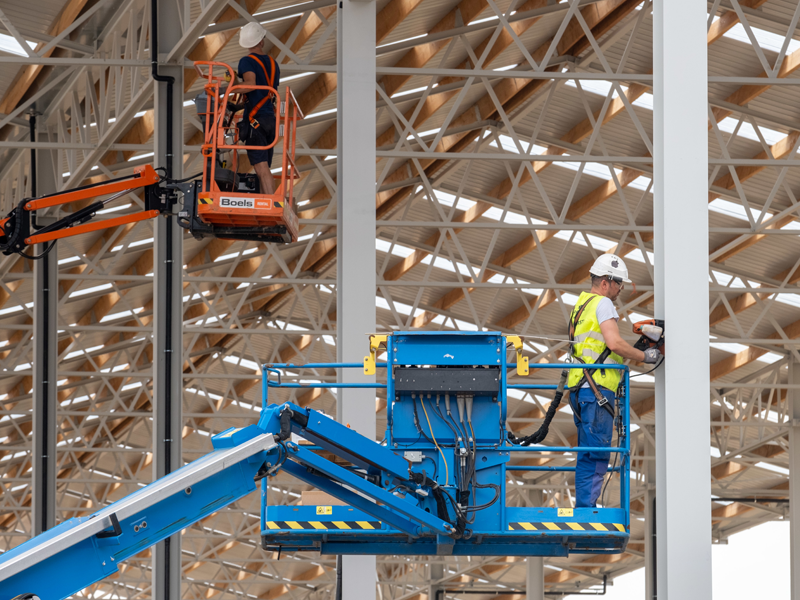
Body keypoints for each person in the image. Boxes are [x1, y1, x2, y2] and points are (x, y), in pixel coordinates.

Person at [567, 254, 662, 508]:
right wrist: (645, 356)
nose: (620, 289)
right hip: (596, 391)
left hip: (578, 390)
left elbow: (596, 347)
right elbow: (614, 343)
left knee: (586, 453)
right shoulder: (603, 303)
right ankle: (587, 511)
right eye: (619, 283)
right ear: (605, 282)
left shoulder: (580, 305)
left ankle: (584, 507)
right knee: (598, 453)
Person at [237, 22, 280, 194]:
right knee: (264, 168)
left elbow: (250, 85)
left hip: (256, 122)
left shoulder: (246, 61)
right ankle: (266, 202)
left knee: (261, 168)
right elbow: (265, 92)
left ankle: (270, 203)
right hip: (270, 120)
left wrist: (227, 89)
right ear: (261, 41)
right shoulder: (273, 64)